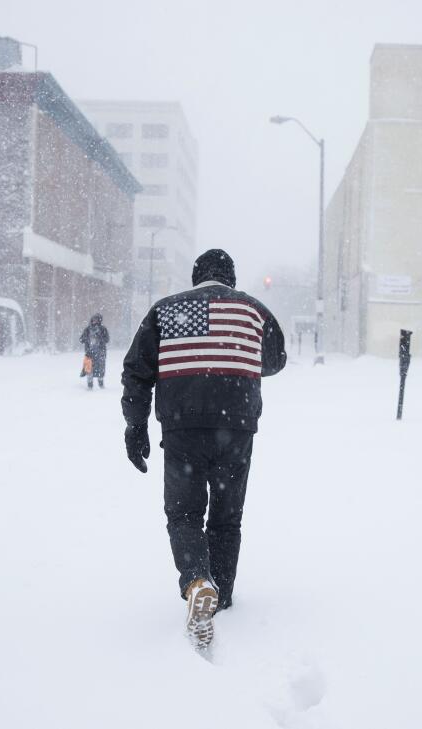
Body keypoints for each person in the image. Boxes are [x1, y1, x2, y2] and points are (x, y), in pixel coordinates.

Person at [121, 249, 286, 649]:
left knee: (184, 514)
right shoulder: (253, 311)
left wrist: (135, 426)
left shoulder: (165, 310)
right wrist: (235, 355)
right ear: (230, 277)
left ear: (196, 277)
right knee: (227, 518)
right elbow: (276, 360)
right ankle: (221, 596)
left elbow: (137, 371)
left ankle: (197, 581)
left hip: (182, 426)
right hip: (236, 425)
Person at [80, 313, 110, 389]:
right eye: (93, 319)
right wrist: (86, 339)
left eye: (97, 320)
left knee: (101, 369)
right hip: (89, 353)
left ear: (99, 320)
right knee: (89, 368)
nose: (95, 321)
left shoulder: (103, 329)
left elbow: (107, 339)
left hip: (100, 353)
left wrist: (100, 338)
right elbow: (81, 339)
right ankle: (90, 384)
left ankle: (101, 384)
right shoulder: (87, 329)